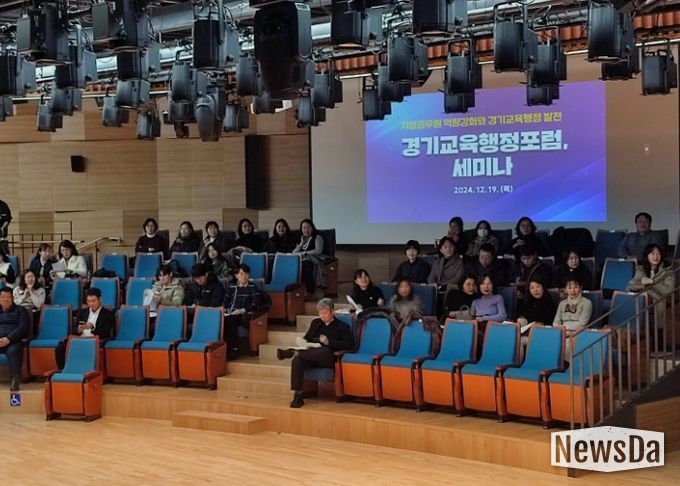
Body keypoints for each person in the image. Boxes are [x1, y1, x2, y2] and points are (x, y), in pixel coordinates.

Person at [276, 298, 354, 408]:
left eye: (325, 313)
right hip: (311, 355)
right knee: (297, 361)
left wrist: (329, 342)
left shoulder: (342, 326)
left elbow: (349, 344)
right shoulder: (316, 323)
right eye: (320, 313)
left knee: (325, 350)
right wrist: (303, 343)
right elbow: (307, 338)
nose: (323, 316)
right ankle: (298, 395)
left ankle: (294, 353)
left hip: (328, 358)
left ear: (332, 311)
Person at [626, 243, 675, 327]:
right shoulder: (640, 269)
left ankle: (658, 329)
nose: (656, 257)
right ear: (647, 255)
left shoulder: (668, 271)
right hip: (642, 300)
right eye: (653, 254)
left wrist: (652, 282)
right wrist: (642, 284)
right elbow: (629, 287)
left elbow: (669, 291)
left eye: (658, 254)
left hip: (660, 302)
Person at [223, 264, 266, 359]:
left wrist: (243, 310)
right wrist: (225, 310)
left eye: (246, 274)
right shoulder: (231, 287)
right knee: (220, 321)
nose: (244, 276)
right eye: (241, 274)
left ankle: (233, 349)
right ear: (236, 275)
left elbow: (256, 304)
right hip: (230, 312)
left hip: (243, 314)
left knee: (230, 321)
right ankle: (221, 349)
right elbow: (225, 302)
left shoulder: (253, 287)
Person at [0, 287, 29, 391]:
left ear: (12, 298)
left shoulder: (21, 310)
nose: (5, 299)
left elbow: (23, 328)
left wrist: (8, 339)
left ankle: (15, 379)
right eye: (3, 297)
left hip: (13, 341)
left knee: (14, 351)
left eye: (8, 297)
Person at [293, 219, 326, 294]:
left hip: (313, 260)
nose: (306, 230)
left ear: (312, 228)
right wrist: (301, 243)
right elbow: (293, 253)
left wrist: (304, 253)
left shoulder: (317, 237)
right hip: (301, 260)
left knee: (306, 266)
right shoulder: (301, 239)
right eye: (304, 228)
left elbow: (318, 250)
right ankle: (295, 291)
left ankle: (310, 291)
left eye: (308, 227)